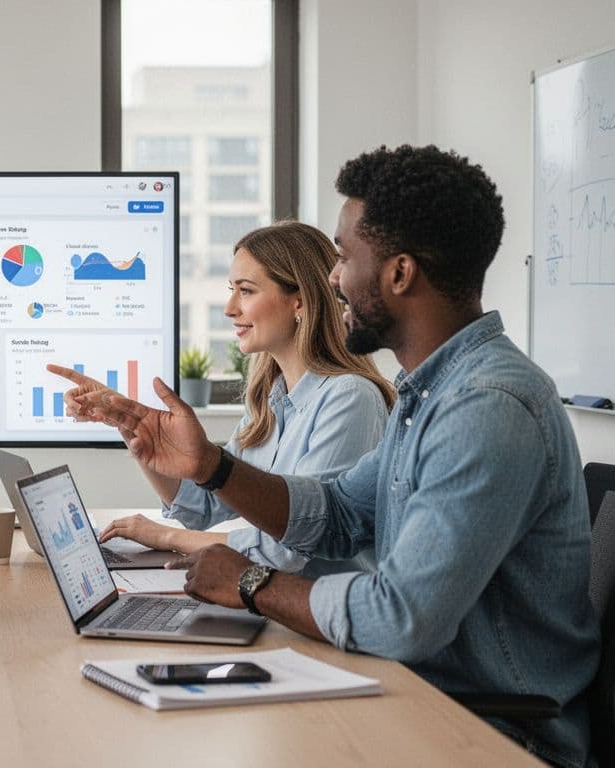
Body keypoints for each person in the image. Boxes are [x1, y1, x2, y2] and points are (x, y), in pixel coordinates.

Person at [68, 145, 599, 767]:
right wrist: (211, 466)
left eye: (344, 257)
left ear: (399, 274)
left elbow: (401, 618)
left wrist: (250, 583)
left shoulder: (487, 407)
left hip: (491, 733)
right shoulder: (431, 394)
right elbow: (338, 512)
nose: (334, 278)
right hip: (419, 694)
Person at [55, 221, 394, 577]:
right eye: (232, 290)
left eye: (246, 291)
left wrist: (167, 536)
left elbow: (292, 547)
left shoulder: (350, 399)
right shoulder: (270, 402)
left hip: (318, 607)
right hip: (267, 596)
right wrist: (130, 427)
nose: (229, 308)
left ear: (300, 301)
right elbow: (203, 506)